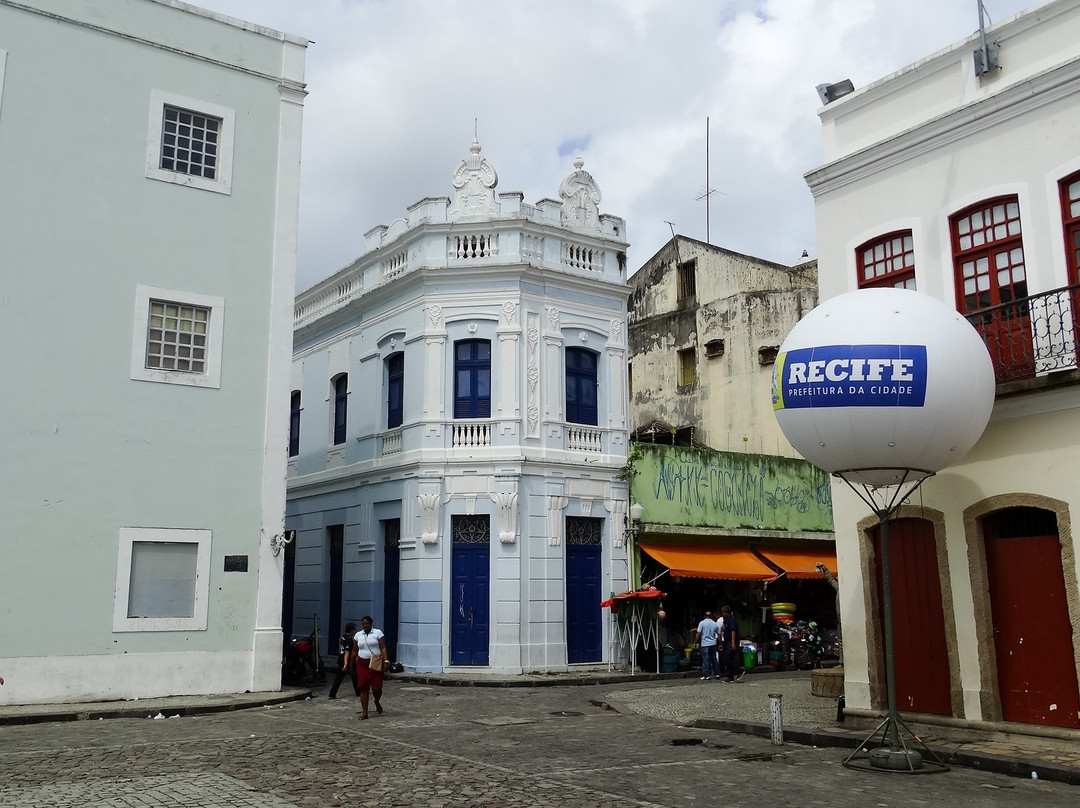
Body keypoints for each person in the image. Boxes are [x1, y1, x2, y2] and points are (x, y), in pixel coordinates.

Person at [352, 615, 390, 719]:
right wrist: (351, 663)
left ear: (371, 624)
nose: (365, 625)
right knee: (363, 687)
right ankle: (365, 712)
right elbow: (354, 650)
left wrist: (386, 660)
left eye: (367, 623)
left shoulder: (378, 633)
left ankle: (377, 701)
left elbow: (383, 647)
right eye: (363, 624)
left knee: (377, 687)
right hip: (362, 664)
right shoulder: (358, 635)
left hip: (376, 663)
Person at [327, 622, 358, 700]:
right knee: (354, 676)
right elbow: (347, 652)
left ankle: (332, 693)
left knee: (339, 678)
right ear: (351, 630)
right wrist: (346, 664)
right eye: (354, 629)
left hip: (340, 659)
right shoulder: (349, 639)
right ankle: (358, 692)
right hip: (346, 660)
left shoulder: (342, 638)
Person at [719, 605, 742, 682]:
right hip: (727, 642)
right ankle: (730, 676)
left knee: (728, 658)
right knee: (727, 659)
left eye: (723, 613)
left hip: (731, 642)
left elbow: (733, 631)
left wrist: (732, 642)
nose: (722, 614)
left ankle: (738, 670)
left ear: (727, 613)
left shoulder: (732, 619)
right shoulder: (726, 620)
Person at [694, 610, 719, 681]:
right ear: (711, 616)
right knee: (714, 659)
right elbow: (719, 634)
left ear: (704, 616)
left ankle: (706, 675)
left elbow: (698, 633)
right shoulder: (715, 624)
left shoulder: (702, 623)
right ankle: (717, 673)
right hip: (713, 643)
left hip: (705, 644)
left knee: (706, 659)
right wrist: (720, 643)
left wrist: (695, 641)